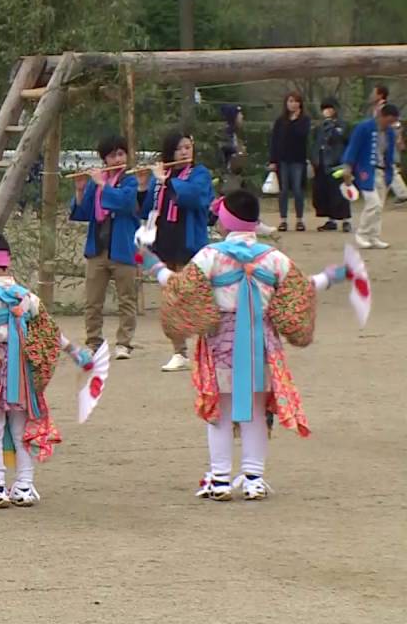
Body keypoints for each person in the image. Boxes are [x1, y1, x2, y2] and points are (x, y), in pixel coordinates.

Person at [141, 190, 357, 501]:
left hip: (221, 342)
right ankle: (254, 478)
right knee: (256, 411)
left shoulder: (210, 255)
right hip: (262, 342)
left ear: (226, 221)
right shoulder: (273, 257)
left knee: (220, 413)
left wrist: (152, 264)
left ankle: (219, 479)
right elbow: (302, 289)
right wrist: (332, 275)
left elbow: (179, 287)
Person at [0, 233, 92, 508]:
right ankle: (24, 487)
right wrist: (77, 353)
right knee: (21, 429)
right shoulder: (27, 297)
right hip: (23, 375)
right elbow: (52, 333)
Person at [140, 130, 214, 372]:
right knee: (171, 300)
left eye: (188, 147)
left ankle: (210, 349)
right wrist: (143, 186)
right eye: (180, 148)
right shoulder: (162, 176)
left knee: (193, 297)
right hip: (165, 242)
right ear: (170, 151)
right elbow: (146, 209)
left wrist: (167, 181)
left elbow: (193, 198)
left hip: (189, 243)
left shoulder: (200, 174)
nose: (185, 152)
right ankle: (179, 352)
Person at [69, 134, 140, 360]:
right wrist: (80, 190)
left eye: (121, 154)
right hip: (97, 248)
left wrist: (102, 184)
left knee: (127, 299)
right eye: (112, 155)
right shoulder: (96, 183)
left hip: (122, 248)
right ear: (104, 159)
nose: (118, 159)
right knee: (92, 301)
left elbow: (127, 203)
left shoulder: (131, 180)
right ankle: (94, 342)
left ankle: (124, 343)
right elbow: (83, 212)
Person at [343, 104, 399, 250]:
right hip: (365, 169)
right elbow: (353, 147)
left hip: (382, 171)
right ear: (382, 116)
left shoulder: (390, 133)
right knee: (373, 203)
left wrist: (390, 172)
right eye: (389, 120)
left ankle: (374, 236)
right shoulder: (364, 128)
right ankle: (362, 234)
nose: (390, 124)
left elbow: (390, 154)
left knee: (379, 207)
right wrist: (348, 166)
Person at [269, 92, 312, 232]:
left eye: (295, 101)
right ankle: (283, 220)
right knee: (283, 190)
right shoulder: (280, 121)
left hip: (298, 160)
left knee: (298, 190)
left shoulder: (304, 120)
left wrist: (296, 119)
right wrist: (273, 160)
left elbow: (302, 135)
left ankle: (299, 219)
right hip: (282, 160)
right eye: (290, 101)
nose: (293, 104)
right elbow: (274, 141)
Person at [311, 98, 350, 232]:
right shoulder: (319, 127)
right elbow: (316, 143)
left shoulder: (342, 125)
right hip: (322, 163)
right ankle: (331, 220)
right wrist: (314, 159)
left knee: (341, 192)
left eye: (330, 108)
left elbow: (342, 139)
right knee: (324, 192)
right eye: (324, 108)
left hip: (337, 162)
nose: (327, 111)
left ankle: (346, 220)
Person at [218, 104, 246, 193]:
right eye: (239, 115)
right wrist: (236, 150)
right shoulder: (226, 132)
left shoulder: (235, 132)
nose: (242, 117)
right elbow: (222, 147)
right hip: (228, 174)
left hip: (235, 173)